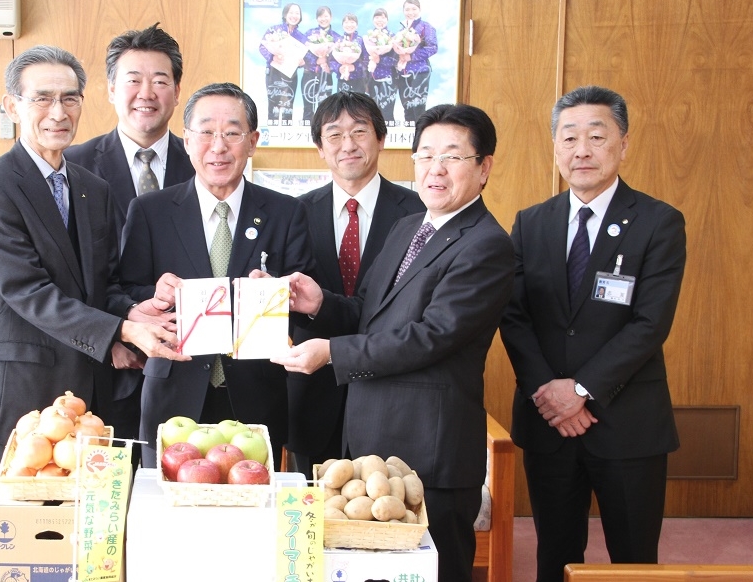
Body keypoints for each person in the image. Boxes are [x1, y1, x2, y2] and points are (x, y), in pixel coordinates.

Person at [274, 103, 514, 582]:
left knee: (436, 570)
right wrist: (317, 304)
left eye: (452, 157)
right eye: (424, 156)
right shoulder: (412, 227)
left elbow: (430, 337)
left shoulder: (487, 244)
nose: (435, 170)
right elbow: (368, 312)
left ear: (484, 167)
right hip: (373, 443)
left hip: (430, 448)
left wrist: (332, 353)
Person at [0, 46, 186, 490]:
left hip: (94, 400)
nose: (58, 112)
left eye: (70, 98)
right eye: (42, 98)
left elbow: (105, 283)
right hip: (27, 400)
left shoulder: (92, 188)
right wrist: (121, 331)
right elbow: (29, 292)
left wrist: (137, 310)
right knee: (25, 548)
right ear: (12, 106)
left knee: (96, 543)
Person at [500, 85, 686, 582]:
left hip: (627, 424)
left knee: (633, 561)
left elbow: (651, 323)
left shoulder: (659, 222)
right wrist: (549, 394)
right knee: (555, 558)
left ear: (623, 144)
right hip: (548, 424)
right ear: (556, 146)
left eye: (596, 136)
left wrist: (579, 392)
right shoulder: (530, 223)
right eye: (569, 138)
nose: (581, 150)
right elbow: (514, 315)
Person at [117, 82, 314, 468]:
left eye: (232, 133)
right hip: (175, 393)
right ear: (187, 140)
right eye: (206, 132)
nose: (218, 146)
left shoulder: (286, 213)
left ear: (253, 141)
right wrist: (150, 300)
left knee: (254, 514)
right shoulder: (149, 211)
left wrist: (281, 296)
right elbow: (120, 292)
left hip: (258, 397)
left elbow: (306, 308)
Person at [66, 24, 196, 447]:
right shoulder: (72, 167)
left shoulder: (205, 165)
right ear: (110, 89)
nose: (147, 92)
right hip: (103, 367)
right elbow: (69, 272)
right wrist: (113, 334)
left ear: (177, 90)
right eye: (133, 80)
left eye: (160, 81)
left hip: (188, 365)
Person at [286, 91, 424, 473]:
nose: (348, 145)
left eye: (359, 132)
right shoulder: (293, 213)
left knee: (384, 512)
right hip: (313, 394)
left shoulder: (417, 213)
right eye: (334, 135)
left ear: (381, 139)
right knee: (313, 521)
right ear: (319, 147)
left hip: (392, 392)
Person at [259, 3, 308, 124]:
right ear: (285, 14)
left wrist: (303, 62)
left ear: (300, 16)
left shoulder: (302, 37)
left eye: (297, 13)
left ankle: (286, 127)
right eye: (291, 12)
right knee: (273, 100)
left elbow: (307, 59)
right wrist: (272, 57)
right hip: (273, 72)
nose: (294, 16)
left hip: (291, 74)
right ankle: (272, 123)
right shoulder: (274, 30)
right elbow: (262, 47)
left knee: (288, 102)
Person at [393, 0, 438, 123]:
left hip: (420, 71)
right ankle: (409, 138)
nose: (410, 12)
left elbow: (433, 47)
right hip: (403, 71)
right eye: (407, 9)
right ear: (403, 11)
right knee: (406, 106)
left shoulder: (426, 26)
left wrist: (411, 56)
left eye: (414, 9)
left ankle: (420, 137)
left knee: (418, 105)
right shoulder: (400, 29)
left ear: (419, 10)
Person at [301, 6, 339, 125]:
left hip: (326, 75)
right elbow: (303, 52)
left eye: (326, 16)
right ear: (317, 18)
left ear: (331, 18)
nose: (323, 19)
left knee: (324, 107)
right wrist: (316, 61)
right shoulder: (309, 34)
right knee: (308, 105)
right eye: (320, 16)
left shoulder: (337, 37)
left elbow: (338, 57)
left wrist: (327, 63)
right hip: (309, 74)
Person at [365, 8, 400, 123]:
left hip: (388, 79)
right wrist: (371, 60)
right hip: (371, 79)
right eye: (377, 17)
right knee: (372, 113)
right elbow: (363, 59)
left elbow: (395, 59)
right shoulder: (368, 37)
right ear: (373, 19)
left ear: (387, 20)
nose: (380, 20)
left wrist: (379, 59)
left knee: (387, 112)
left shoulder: (393, 37)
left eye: (383, 17)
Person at [330, 13, 369, 95]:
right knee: (342, 106)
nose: (349, 25)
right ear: (342, 25)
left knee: (358, 107)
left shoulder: (361, 41)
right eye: (346, 22)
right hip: (342, 80)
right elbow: (331, 61)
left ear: (357, 25)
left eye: (352, 22)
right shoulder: (338, 41)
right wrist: (339, 68)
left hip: (358, 80)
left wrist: (354, 67)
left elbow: (367, 61)